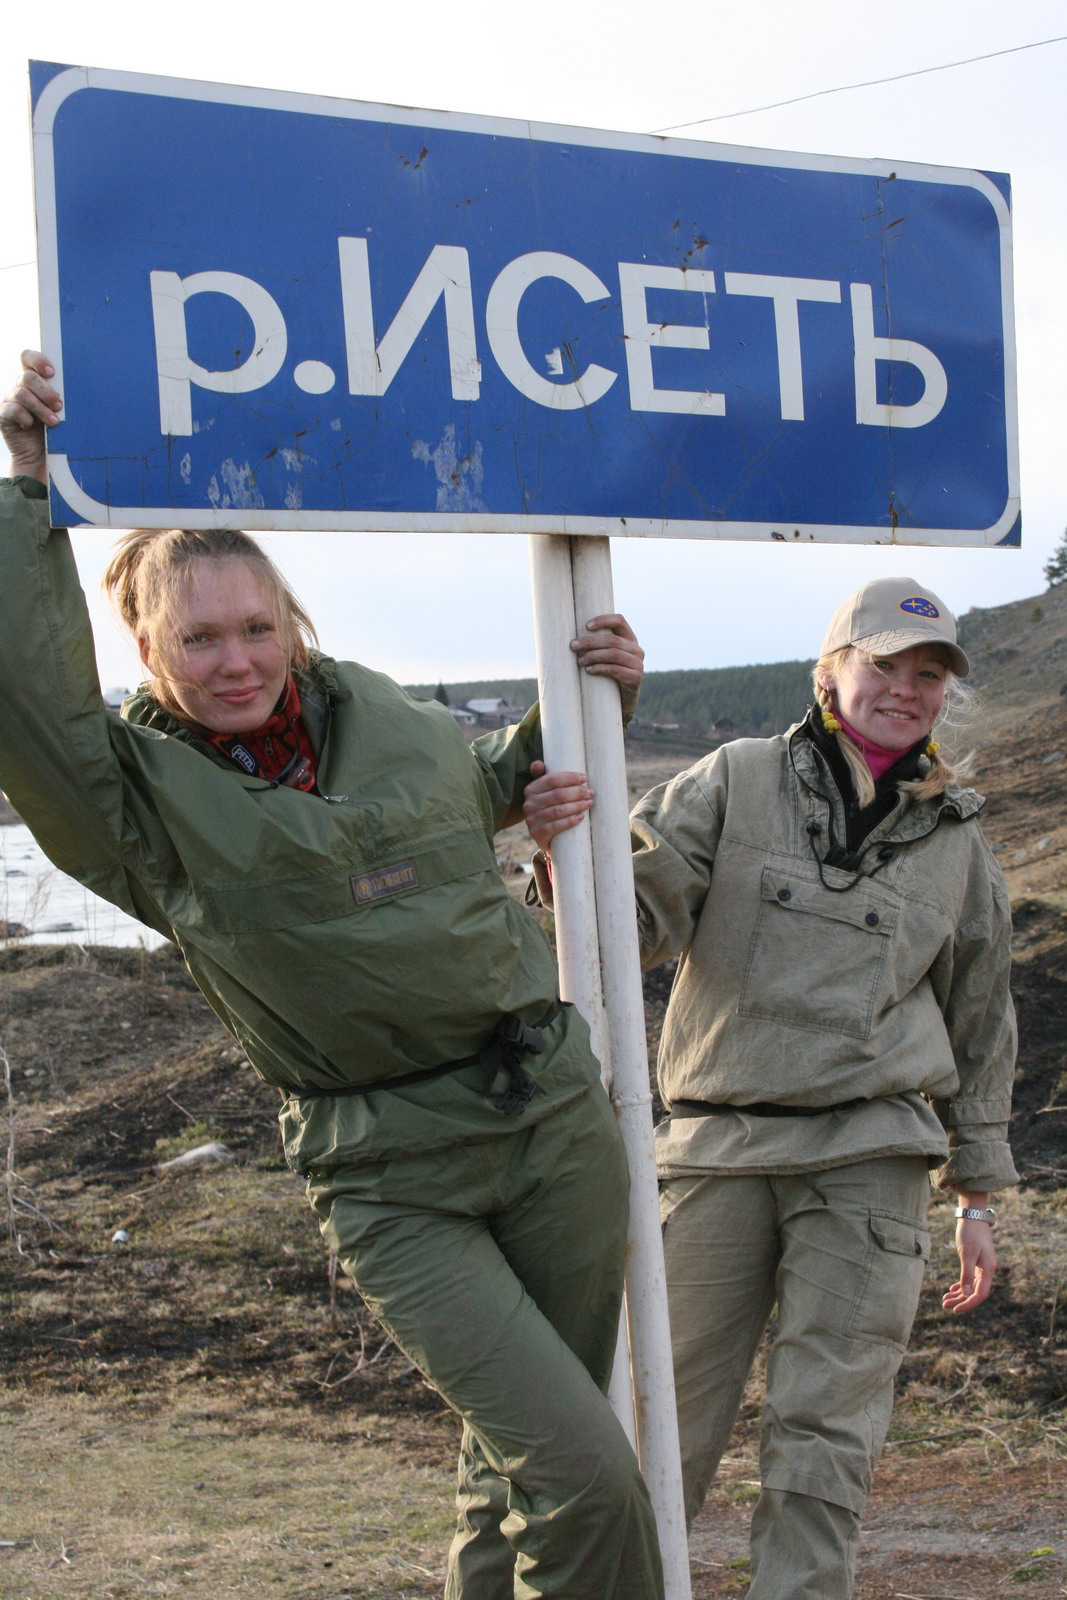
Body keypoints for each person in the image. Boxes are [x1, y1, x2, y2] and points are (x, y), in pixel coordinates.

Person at [0, 350, 664, 1600]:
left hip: (550, 1118)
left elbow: (476, 788)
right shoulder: (134, 806)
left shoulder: (381, 715)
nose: (235, 660)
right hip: (386, 1172)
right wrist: (27, 482)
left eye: (256, 627)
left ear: (292, 623)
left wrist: (588, 702)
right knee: (584, 1479)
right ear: (145, 645)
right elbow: (26, 699)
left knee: (513, 1465)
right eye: (198, 637)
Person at [524, 578, 1017, 1600]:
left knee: (822, 1441)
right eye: (883, 664)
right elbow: (631, 919)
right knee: (657, 1426)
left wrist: (974, 1196)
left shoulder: (957, 841)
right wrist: (561, 861)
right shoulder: (735, 777)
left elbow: (980, 1017)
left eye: (928, 674)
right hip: (716, 1150)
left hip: (872, 1161)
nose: (905, 688)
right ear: (830, 671)